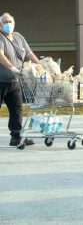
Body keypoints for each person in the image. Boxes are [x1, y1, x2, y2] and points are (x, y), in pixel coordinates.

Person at [0, 12, 40, 147]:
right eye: (5, 22)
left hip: (15, 81)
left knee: (17, 109)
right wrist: (11, 67)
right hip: (1, 80)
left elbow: (29, 53)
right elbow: (0, 55)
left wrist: (40, 66)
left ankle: (16, 137)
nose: (8, 24)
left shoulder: (19, 37)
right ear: (0, 25)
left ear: (14, 23)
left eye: (10, 22)